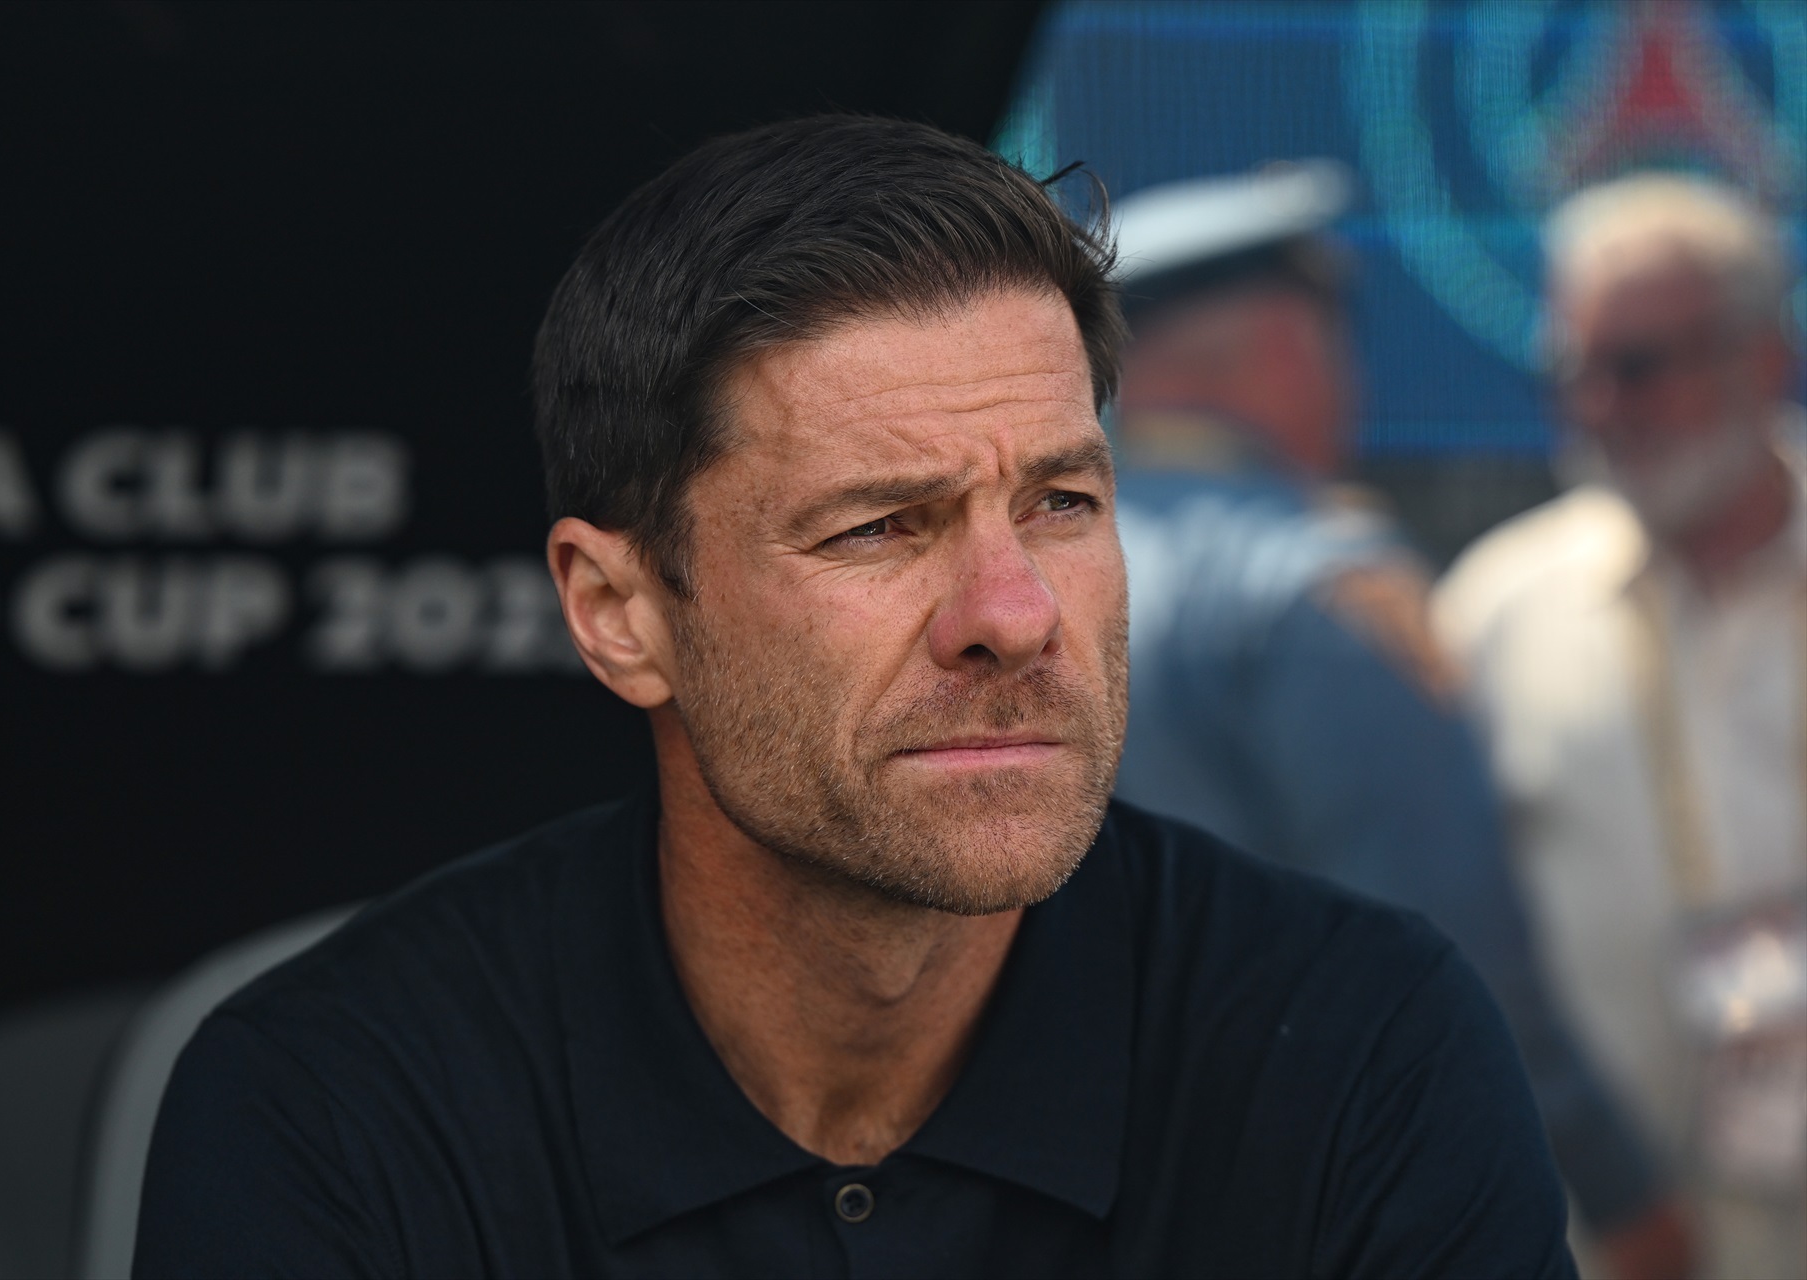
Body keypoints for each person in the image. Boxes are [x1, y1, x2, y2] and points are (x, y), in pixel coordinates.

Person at [134, 117, 1573, 1278]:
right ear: (619, 613)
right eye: (877, 527)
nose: (1013, 616)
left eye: (1062, 501)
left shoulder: (1364, 1052)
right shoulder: (341, 1105)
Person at [1109, 165, 1682, 1277]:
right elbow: (1456, 956)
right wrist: (1627, 1195)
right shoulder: (1319, 589)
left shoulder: (1028, 578)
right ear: (1286, 353)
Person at [1437, 172, 1806, 1280]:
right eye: (1572, 372)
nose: (1601, 407)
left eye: (1638, 366)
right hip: (1619, 1240)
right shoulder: (1498, 610)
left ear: (1763, 355)